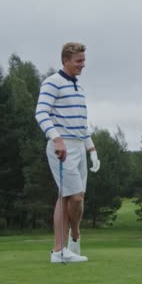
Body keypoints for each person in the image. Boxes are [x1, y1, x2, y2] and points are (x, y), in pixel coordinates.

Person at [35, 42, 101, 263]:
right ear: (65, 60)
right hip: (60, 148)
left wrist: (91, 150)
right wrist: (56, 138)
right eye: (79, 61)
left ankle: (65, 247)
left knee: (73, 197)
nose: (83, 65)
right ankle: (64, 246)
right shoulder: (52, 83)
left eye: (84, 60)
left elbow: (82, 125)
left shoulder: (79, 88)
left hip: (78, 147)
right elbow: (41, 113)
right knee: (73, 196)